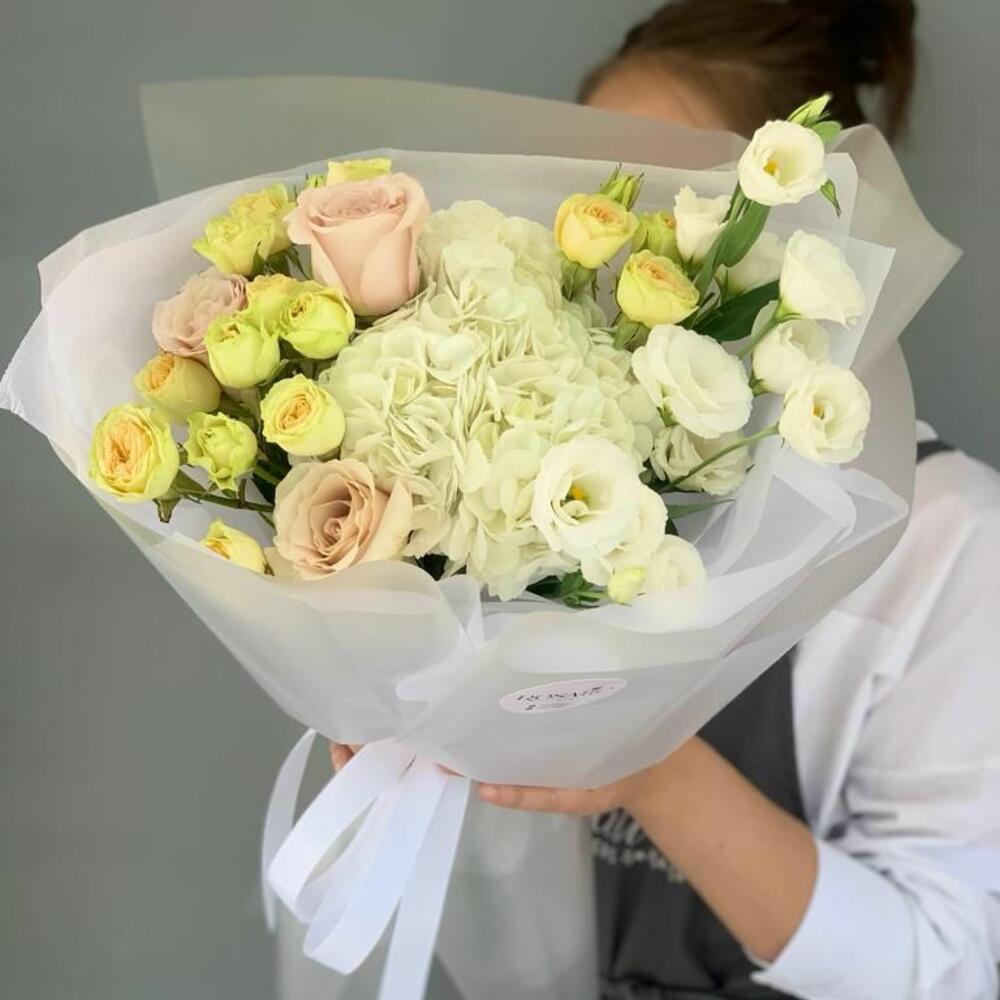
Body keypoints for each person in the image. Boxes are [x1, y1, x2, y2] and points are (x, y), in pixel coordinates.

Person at [468, 3, 1000, 999]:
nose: (625, 263)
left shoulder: (950, 540)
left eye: (671, 209)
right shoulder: (531, 495)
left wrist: (656, 773)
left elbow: (947, 965)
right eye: (597, 203)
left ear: (816, 232)